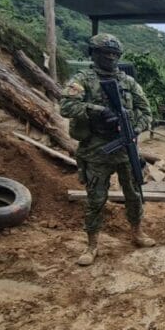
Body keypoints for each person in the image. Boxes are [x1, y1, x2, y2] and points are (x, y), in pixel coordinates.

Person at [60, 33, 155, 266]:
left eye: (115, 55)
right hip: (96, 148)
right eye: (106, 54)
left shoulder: (128, 82)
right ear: (94, 54)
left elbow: (146, 112)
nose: (111, 59)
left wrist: (133, 130)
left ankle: (137, 232)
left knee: (133, 194)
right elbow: (66, 106)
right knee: (96, 199)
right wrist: (97, 111)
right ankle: (92, 245)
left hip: (125, 146)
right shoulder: (83, 79)